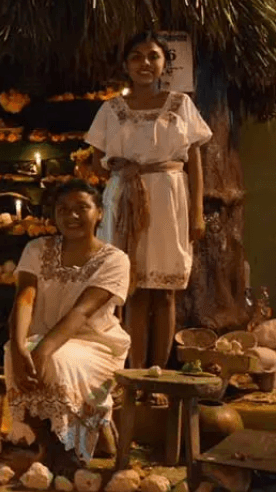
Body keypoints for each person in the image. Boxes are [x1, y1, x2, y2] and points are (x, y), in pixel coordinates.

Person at [85, 31, 212, 377]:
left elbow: (195, 161)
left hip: (169, 199)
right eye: (137, 56)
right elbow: (96, 161)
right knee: (134, 290)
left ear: (164, 65)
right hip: (126, 198)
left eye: (153, 56)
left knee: (166, 291)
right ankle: (135, 373)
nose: (145, 63)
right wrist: (121, 168)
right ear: (125, 65)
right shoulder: (111, 110)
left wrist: (197, 214)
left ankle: (159, 373)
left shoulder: (180, 105)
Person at [5, 180, 130, 474]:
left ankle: (67, 454)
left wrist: (44, 350)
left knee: (56, 361)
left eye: (81, 208)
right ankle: (48, 446)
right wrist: (20, 345)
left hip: (95, 344)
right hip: (41, 338)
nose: (71, 216)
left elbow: (83, 311)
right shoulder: (36, 248)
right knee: (13, 352)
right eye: (63, 209)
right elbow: (25, 296)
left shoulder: (115, 259)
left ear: (99, 212)